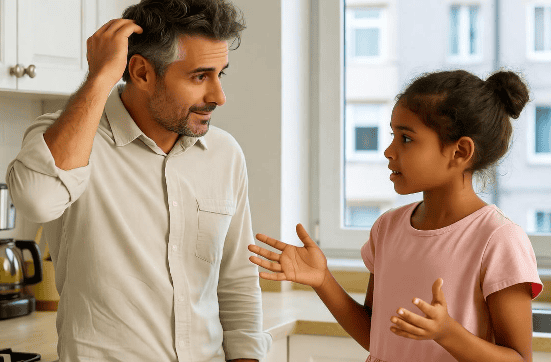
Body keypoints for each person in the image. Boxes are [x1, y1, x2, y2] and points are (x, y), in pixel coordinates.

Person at [6, 0, 271, 361]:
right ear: (142, 73)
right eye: (199, 76)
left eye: (219, 74)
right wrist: (100, 77)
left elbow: (237, 279)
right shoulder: (68, 138)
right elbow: (36, 200)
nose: (218, 97)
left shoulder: (225, 154)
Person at [248, 70, 543, 361]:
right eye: (393, 135)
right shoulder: (388, 227)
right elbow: (375, 336)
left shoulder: (498, 239)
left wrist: (448, 332)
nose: (389, 151)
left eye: (406, 138)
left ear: (460, 151)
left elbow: (519, 359)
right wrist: (323, 280)